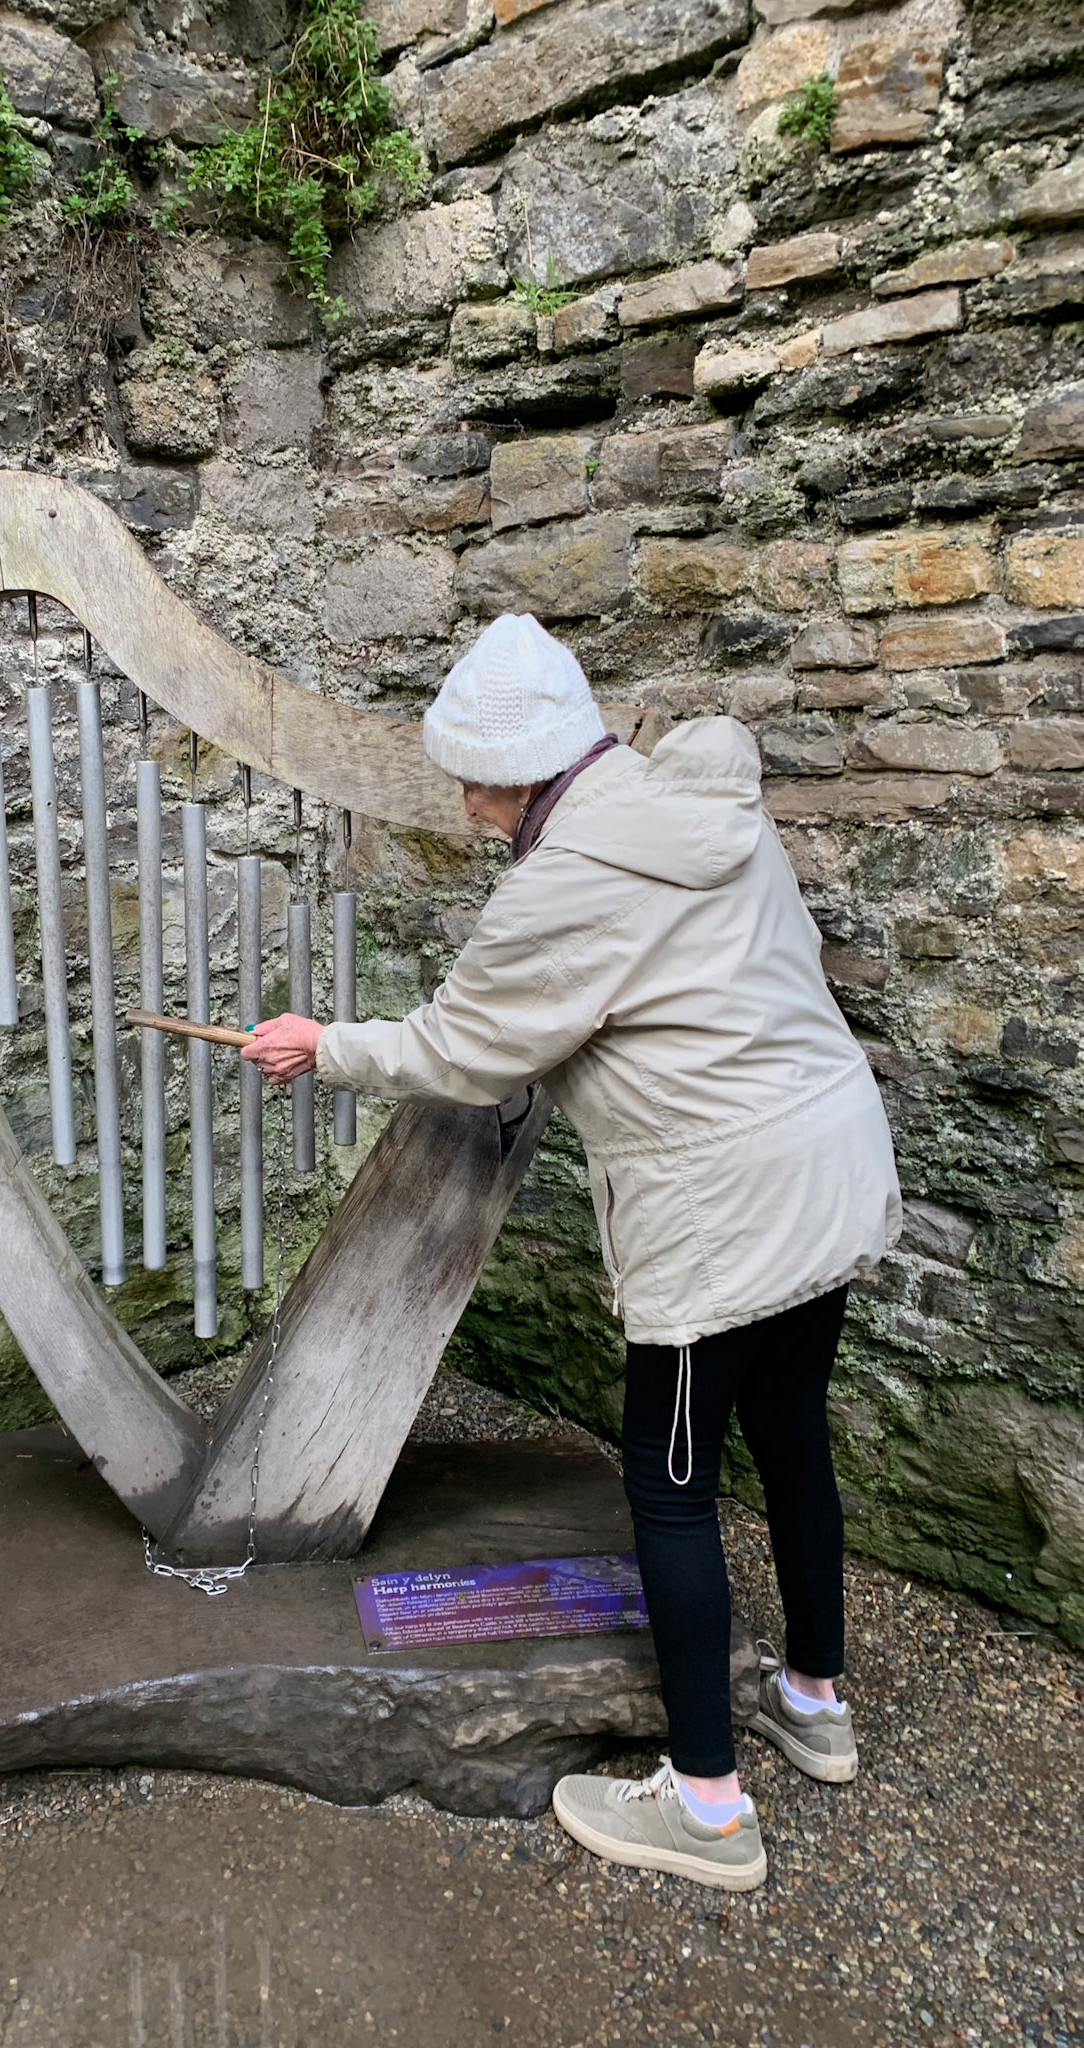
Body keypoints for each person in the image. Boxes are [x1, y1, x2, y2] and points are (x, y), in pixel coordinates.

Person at [243, 611, 902, 1894]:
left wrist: (323, 1044)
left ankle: (709, 1806)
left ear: (512, 770)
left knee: (670, 1484)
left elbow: (465, 1047)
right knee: (796, 1434)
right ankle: (815, 1702)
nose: (471, 810)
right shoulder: (690, 807)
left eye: (472, 784)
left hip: (725, 1209)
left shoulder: (570, 877)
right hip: (829, 1160)